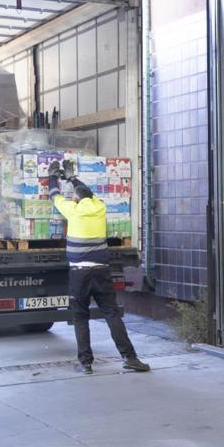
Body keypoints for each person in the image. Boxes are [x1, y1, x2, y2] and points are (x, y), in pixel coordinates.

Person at [47, 161, 149, 375]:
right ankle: (130, 357)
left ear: (75, 199)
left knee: (80, 316)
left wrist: (53, 177)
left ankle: (85, 363)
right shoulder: (100, 207)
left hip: (79, 273)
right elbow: (88, 193)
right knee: (111, 313)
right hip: (102, 271)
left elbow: (55, 195)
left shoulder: (72, 210)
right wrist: (73, 178)